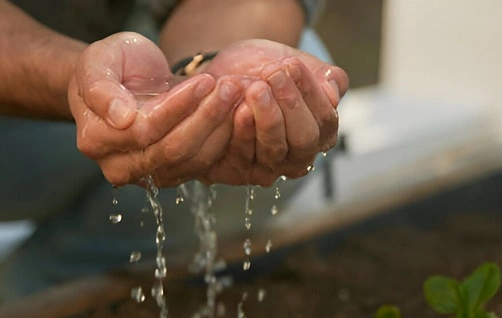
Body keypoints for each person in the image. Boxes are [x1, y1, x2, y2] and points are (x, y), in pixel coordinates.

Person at [0, 0, 349, 302]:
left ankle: (37, 292)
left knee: (282, 79)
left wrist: (200, 72)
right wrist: (74, 76)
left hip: (101, 64)